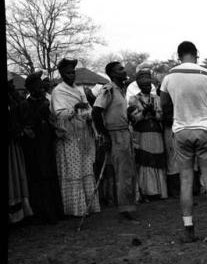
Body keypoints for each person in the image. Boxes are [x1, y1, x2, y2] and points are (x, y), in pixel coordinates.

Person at [160, 41, 207, 243]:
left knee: (186, 181)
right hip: (204, 130)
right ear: (196, 54)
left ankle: (189, 229)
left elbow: (163, 103)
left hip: (181, 131)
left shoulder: (169, 76)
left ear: (178, 55)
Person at [51, 58, 100, 217]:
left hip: (83, 133)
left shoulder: (79, 90)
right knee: (73, 170)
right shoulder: (58, 91)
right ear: (61, 74)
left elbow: (88, 108)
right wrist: (74, 109)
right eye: (68, 73)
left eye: (73, 72)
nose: (71, 75)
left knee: (86, 167)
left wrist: (88, 115)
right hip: (69, 135)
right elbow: (59, 113)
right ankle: (76, 209)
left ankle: (89, 205)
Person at [92, 61, 140, 224]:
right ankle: (124, 212)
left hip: (125, 133)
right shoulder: (108, 89)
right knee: (122, 174)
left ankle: (128, 209)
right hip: (115, 135)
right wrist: (105, 135)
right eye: (120, 69)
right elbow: (96, 112)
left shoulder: (120, 90)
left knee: (128, 172)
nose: (123, 70)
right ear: (112, 74)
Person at [19, 73, 64, 224]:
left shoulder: (45, 101)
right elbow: (27, 127)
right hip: (34, 150)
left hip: (47, 146)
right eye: (37, 86)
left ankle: (55, 212)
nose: (41, 88)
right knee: (39, 180)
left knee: (51, 178)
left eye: (41, 85)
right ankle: (43, 214)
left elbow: (50, 121)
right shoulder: (25, 105)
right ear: (30, 88)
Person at [128, 69, 168, 201]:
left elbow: (161, 116)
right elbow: (134, 119)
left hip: (156, 132)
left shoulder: (157, 98)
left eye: (148, 84)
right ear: (139, 85)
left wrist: (155, 113)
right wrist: (144, 113)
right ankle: (148, 192)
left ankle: (160, 191)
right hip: (143, 133)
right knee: (145, 160)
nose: (146, 86)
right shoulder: (134, 99)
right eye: (143, 85)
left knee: (157, 160)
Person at [8, 72, 33, 224]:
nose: (12, 86)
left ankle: (18, 214)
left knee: (16, 178)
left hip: (14, 144)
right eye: (10, 83)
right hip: (10, 142)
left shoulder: (13, 100)